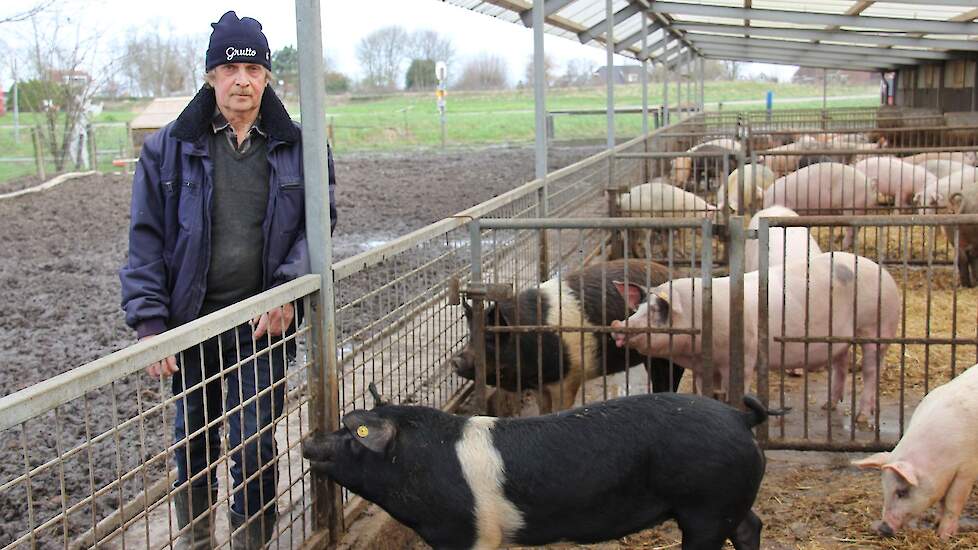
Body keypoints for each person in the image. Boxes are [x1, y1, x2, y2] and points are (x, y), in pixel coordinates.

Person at [119, 10, 336, 549]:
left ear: (267, 75)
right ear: (212, 75)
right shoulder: (165, 150)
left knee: (255, 443)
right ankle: (196, 540)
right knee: (191, 445)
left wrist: (290, 290)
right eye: (231, 67)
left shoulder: (301, 147)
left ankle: (251, 540)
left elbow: (318, 225)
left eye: (255, 68)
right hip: (190, 328)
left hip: (261, 325)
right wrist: (151, 324)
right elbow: (145, 238)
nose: (243, 79)